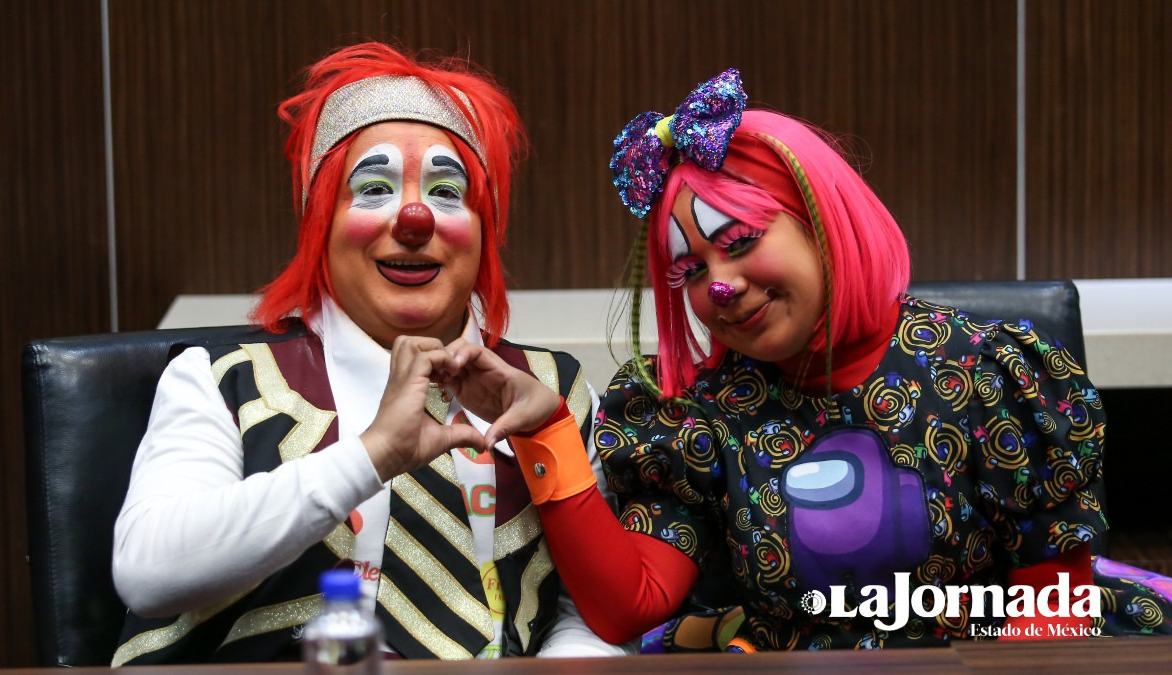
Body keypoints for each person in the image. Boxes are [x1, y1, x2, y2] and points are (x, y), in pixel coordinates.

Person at [445, 68, 1172, 651]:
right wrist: (544, 432)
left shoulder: (988, 376)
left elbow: (1053, 612)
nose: (720, 285)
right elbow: (624, 607)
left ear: (824, 221)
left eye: (738, 241)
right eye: (689, 270)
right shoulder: (697, 415)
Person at [110, 42, 627, 664]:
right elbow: (149, 571)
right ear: (319, 223)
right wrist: (372, 455)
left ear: (483, 229)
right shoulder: (225, 381)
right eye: (374, 189)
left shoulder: (556, 391)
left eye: (445, 192)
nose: (413, 219)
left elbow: (593, 609)